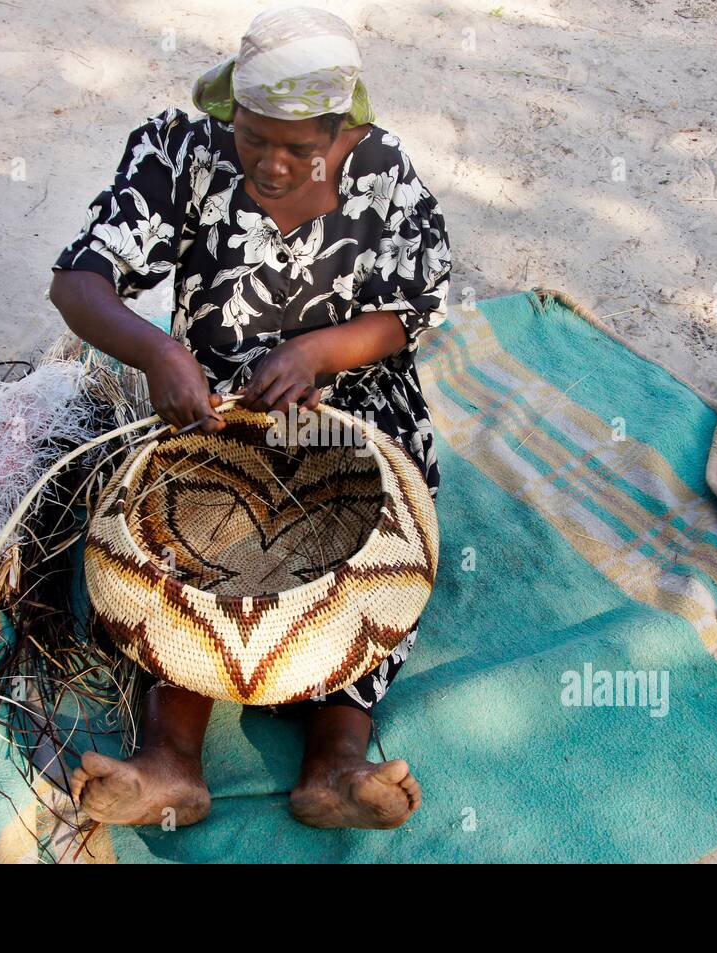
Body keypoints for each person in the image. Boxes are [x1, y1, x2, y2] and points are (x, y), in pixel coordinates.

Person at [50, 5, 450, 830]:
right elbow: (79, 283)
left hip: (355, 402)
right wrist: (160, 354)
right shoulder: (181, 149)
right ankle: (171, 761)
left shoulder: (383, 169)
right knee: (180, 549)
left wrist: (320, 353)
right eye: (252, 136)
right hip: (217, 403)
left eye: (299, 148)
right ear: (230, 112)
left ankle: (335, 760)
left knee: (376, 554)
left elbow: (413, 309)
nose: (270, 164)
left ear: (340, 131)